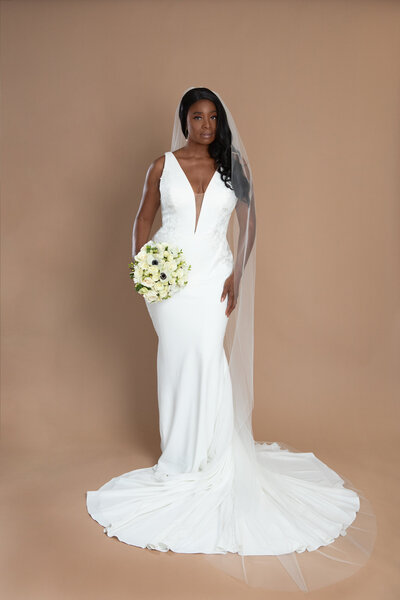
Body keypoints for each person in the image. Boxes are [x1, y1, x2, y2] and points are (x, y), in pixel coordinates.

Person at [86, 87, 376, 592]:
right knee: (178, 357)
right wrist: (142, 264)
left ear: (219, 123)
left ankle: (209, 456)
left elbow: (251, 221)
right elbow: (143, 217)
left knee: (206, 356)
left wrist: (237, 273)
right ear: (183, 120)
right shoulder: (161, 165)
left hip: (214, 275)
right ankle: (179, 456)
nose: (205, 125)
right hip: (170, 279)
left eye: (212, 117)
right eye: (197, 117)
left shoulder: (231, 165)